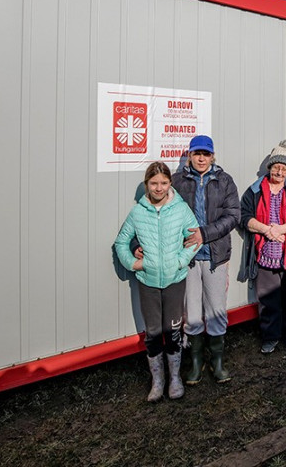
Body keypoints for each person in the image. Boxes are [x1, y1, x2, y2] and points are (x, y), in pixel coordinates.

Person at [114, 162, 200, 402]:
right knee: (153, 332)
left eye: (163, 183)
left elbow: (195, 239)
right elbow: (121, 242)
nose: (159, 188)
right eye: (154, 183)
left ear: (170, 183)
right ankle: (158, 381)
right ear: (147, 185)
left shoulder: (181, 209)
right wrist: (134, 264)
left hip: (174, 281)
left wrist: (180, 261)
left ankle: (175, 378)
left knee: (172, 331)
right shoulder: (138, 212)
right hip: (148, 283)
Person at [171, 135, 240, 385]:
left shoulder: (224, 180)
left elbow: (233, 216)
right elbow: (167, 215)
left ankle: (217, 362)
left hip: (215, 256)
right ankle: (196, 362)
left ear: (213, 156)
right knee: (191, 312)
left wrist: (204, 234)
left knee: (216, 310)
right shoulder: (177, 181)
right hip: (188, 257)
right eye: (197, 153)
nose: (201, 158)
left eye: (206, 154)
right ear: (190, 155)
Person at [239, 140, 286, 354]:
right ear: (270, 167)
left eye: (284, 168)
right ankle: (270, 336)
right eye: (276, 167)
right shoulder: (254, 191)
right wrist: (266, 230)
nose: (279, 172)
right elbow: (244, 217)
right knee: (268, 299)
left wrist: (280, 229)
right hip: (264, 254)